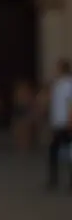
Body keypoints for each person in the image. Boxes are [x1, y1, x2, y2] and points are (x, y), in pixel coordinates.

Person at [45, 58, 72, 191]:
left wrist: (70, 120)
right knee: (53, 151)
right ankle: (53, 180)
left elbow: (70, 104)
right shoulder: (57, 84)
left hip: (66, 123)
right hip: (57, 123)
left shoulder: (69, 84)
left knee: (69, 153)